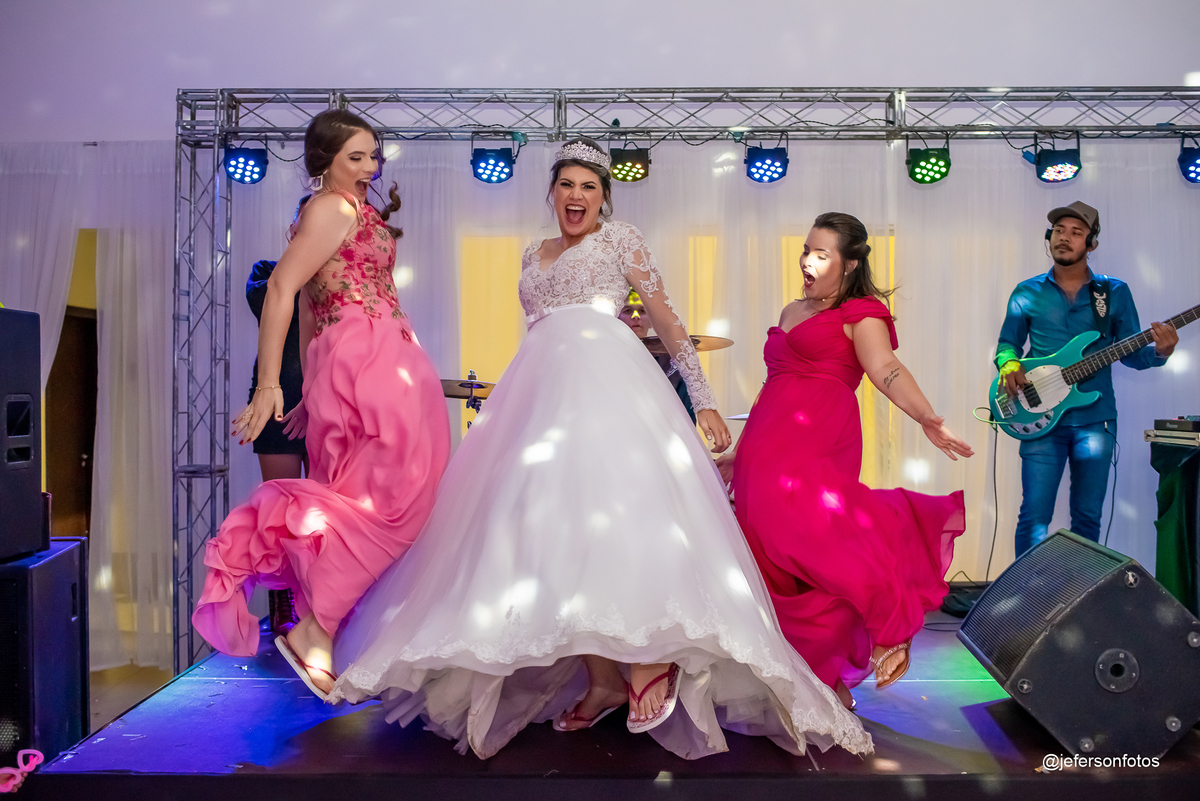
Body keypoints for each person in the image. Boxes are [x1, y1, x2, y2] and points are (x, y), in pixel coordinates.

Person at [329, 139, 871, 761]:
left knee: (618, 516)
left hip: (608, 387)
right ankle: (605, 678)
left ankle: (648, 656)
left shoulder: (621, 240)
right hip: (541, 396)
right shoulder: (532, 253)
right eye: (566, 184)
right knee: (550, 530)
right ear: (552, 192)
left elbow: (667, 321)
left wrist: (703, 399)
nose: (576, 196)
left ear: (603, 198)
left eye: (589, 186)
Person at [192, 110, 451, 699]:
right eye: (355, 156)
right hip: (365, 353)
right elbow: (283, 289)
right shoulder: (332, 207)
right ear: (325, 161)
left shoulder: (359, 212)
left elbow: (312, 306)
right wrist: (270, 385)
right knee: (400, 493)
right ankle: (316, 628)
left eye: (373, 155)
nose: (370, 167)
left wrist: (308, 390)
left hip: (389, 351)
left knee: (385, 491)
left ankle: (331, 628)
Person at [723, 212, 972, 711]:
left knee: (814, 538)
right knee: (767, 559)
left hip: (817, 439)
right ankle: (818, 676)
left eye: (822, 254)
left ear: (850, 263)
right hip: (765, 445)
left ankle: (884, 622)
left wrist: (926, 416)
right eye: (806, 250)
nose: (808, 261)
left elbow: (886, 368)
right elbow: (772, 386)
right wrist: (739, 450)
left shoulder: (861, 312)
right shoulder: (791, 309)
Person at [996, 201, 1176, 557]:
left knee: (1087, 517)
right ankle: (1028, 589)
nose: (1064, 237)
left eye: (1076, 232)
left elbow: (1132, 353)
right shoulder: (1026, 292)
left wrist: (1161, 352)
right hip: (1040, 418)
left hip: (1095, 420)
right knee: (1034, 516)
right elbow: (1007, 344)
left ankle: (1082, 589)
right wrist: (1008, 363)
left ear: (1091, 244)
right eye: (1059, 231)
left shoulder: (1113, 292)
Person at [245, 256, 307, 635]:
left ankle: (321, 598)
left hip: (325, 398)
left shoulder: (331, 272)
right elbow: (265, 299)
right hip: (276, 402)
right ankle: (282, 599)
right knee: (279, 510)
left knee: (326, 510)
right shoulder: (268, 271)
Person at [618, 287, 695, 422]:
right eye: (628, 311)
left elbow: (687, 416)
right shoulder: (605, 357)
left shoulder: (671, 362)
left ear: (652, 320)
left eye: (642, 311)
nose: (635, 316)